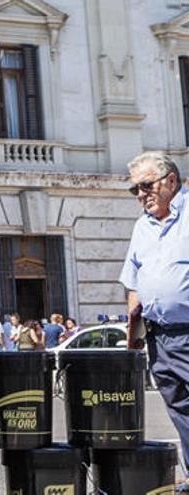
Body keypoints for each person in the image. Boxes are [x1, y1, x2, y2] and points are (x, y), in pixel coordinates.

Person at [119, 151, 189, 492]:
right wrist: (132, 341)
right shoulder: (141, 227)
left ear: (171, 181)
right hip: (159, 339)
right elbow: (133, 286)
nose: (141, 195)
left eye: (146, 186)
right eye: (135, 190)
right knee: (180, 409)